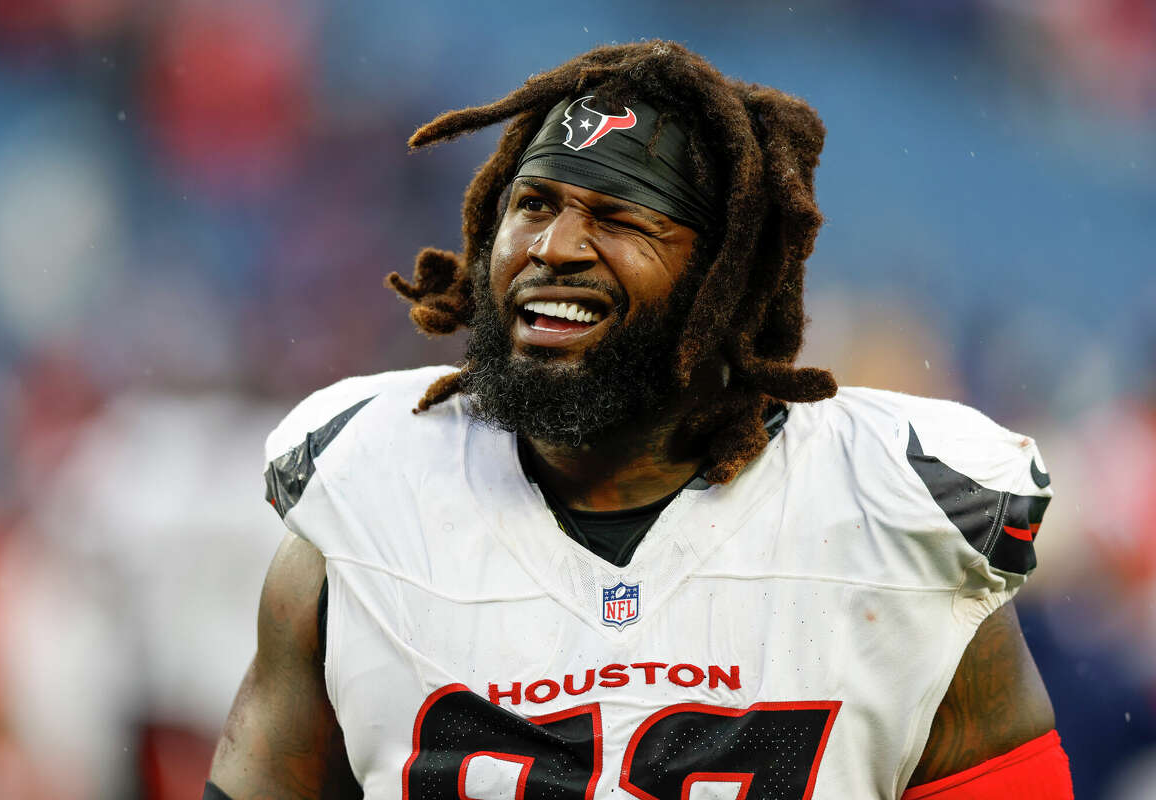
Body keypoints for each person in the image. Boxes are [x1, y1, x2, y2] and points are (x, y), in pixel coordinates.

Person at [206, 41, 1074, 799]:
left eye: (619, 218)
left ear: (725, 283)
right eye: (533, 204)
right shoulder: (364, 493)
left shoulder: (897, 514)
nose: (554, 247)